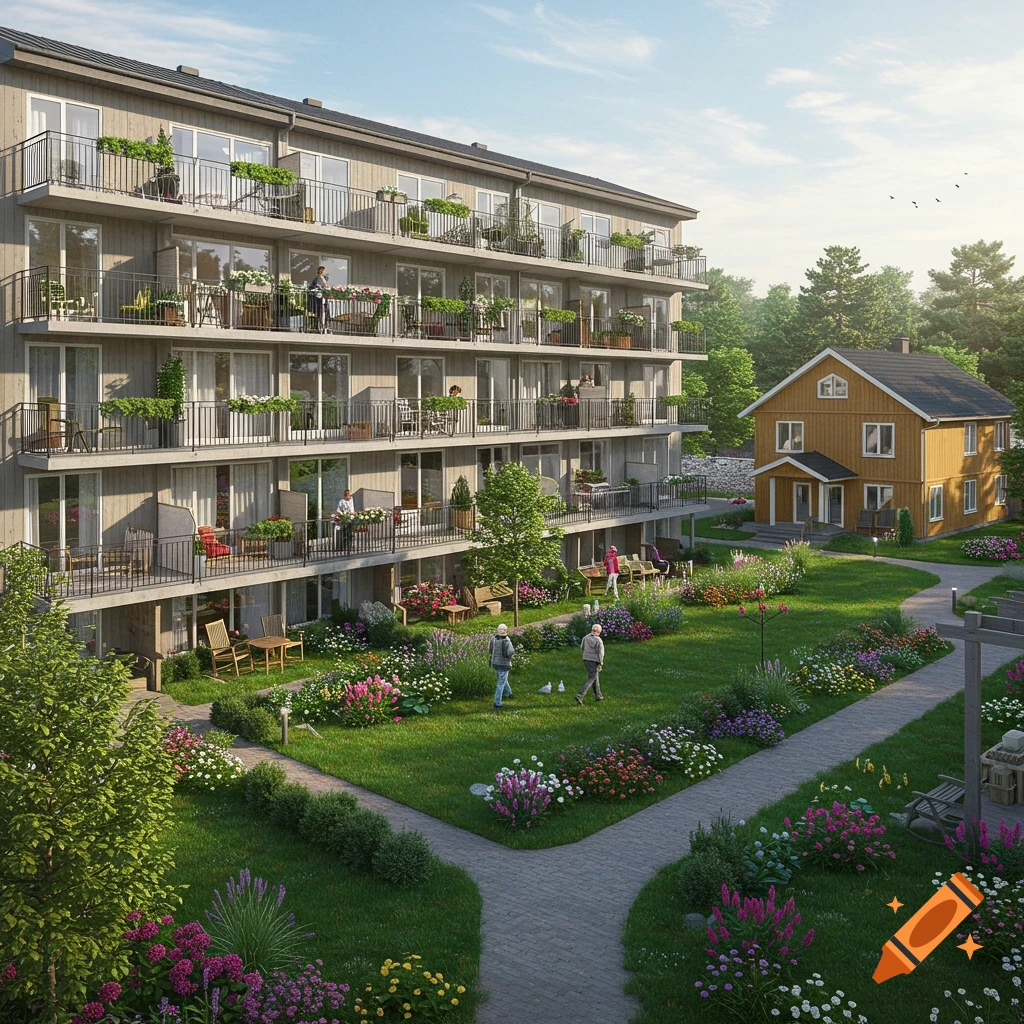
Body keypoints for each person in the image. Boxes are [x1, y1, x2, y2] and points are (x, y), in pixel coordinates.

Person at [576, 623, 605, 704]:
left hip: (586, 659)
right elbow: (600, 653)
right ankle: (580, 695)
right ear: (599, 631)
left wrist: (584, 656)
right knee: (592, 678)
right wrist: (601, 663)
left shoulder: (586, 638)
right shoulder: (598, 640)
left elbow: (582, 647)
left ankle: (598, 695)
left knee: (595, 676)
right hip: (594, 660)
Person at [488, 623, 514, 709]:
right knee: (501, 683)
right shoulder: (507, 640)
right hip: (504, 664)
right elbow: (510, 652)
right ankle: (497, 703)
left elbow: (490, 649)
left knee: (502, 678)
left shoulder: (493, 638)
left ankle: (508, 693)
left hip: (495, 663)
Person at [309, 265, 329, 333]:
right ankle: (318, 326)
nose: (322, 271)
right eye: (321, 270)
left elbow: (326, 286)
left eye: (323, 270)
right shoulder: (317, 278)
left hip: (323, 298)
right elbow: (312, 287)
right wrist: (317, 289)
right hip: (318, 298)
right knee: (319, 312)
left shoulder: (324, 278)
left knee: (325, 312)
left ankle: (325, 325)